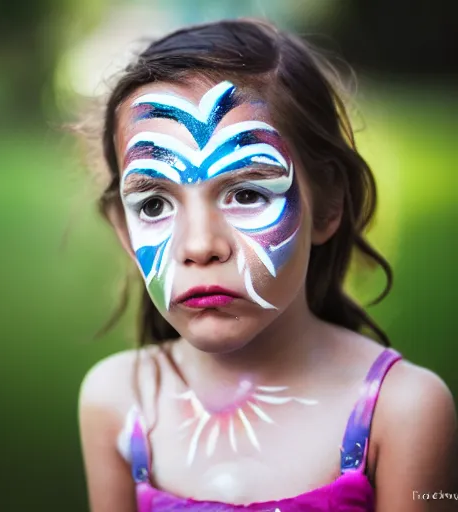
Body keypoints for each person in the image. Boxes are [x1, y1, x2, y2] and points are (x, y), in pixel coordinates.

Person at [77, 19, 457, 512]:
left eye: (248, 193)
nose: (199, 246)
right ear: (125, 231)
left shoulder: (403, 410)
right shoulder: (118, 402)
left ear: (327, 206)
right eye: (153, 204)